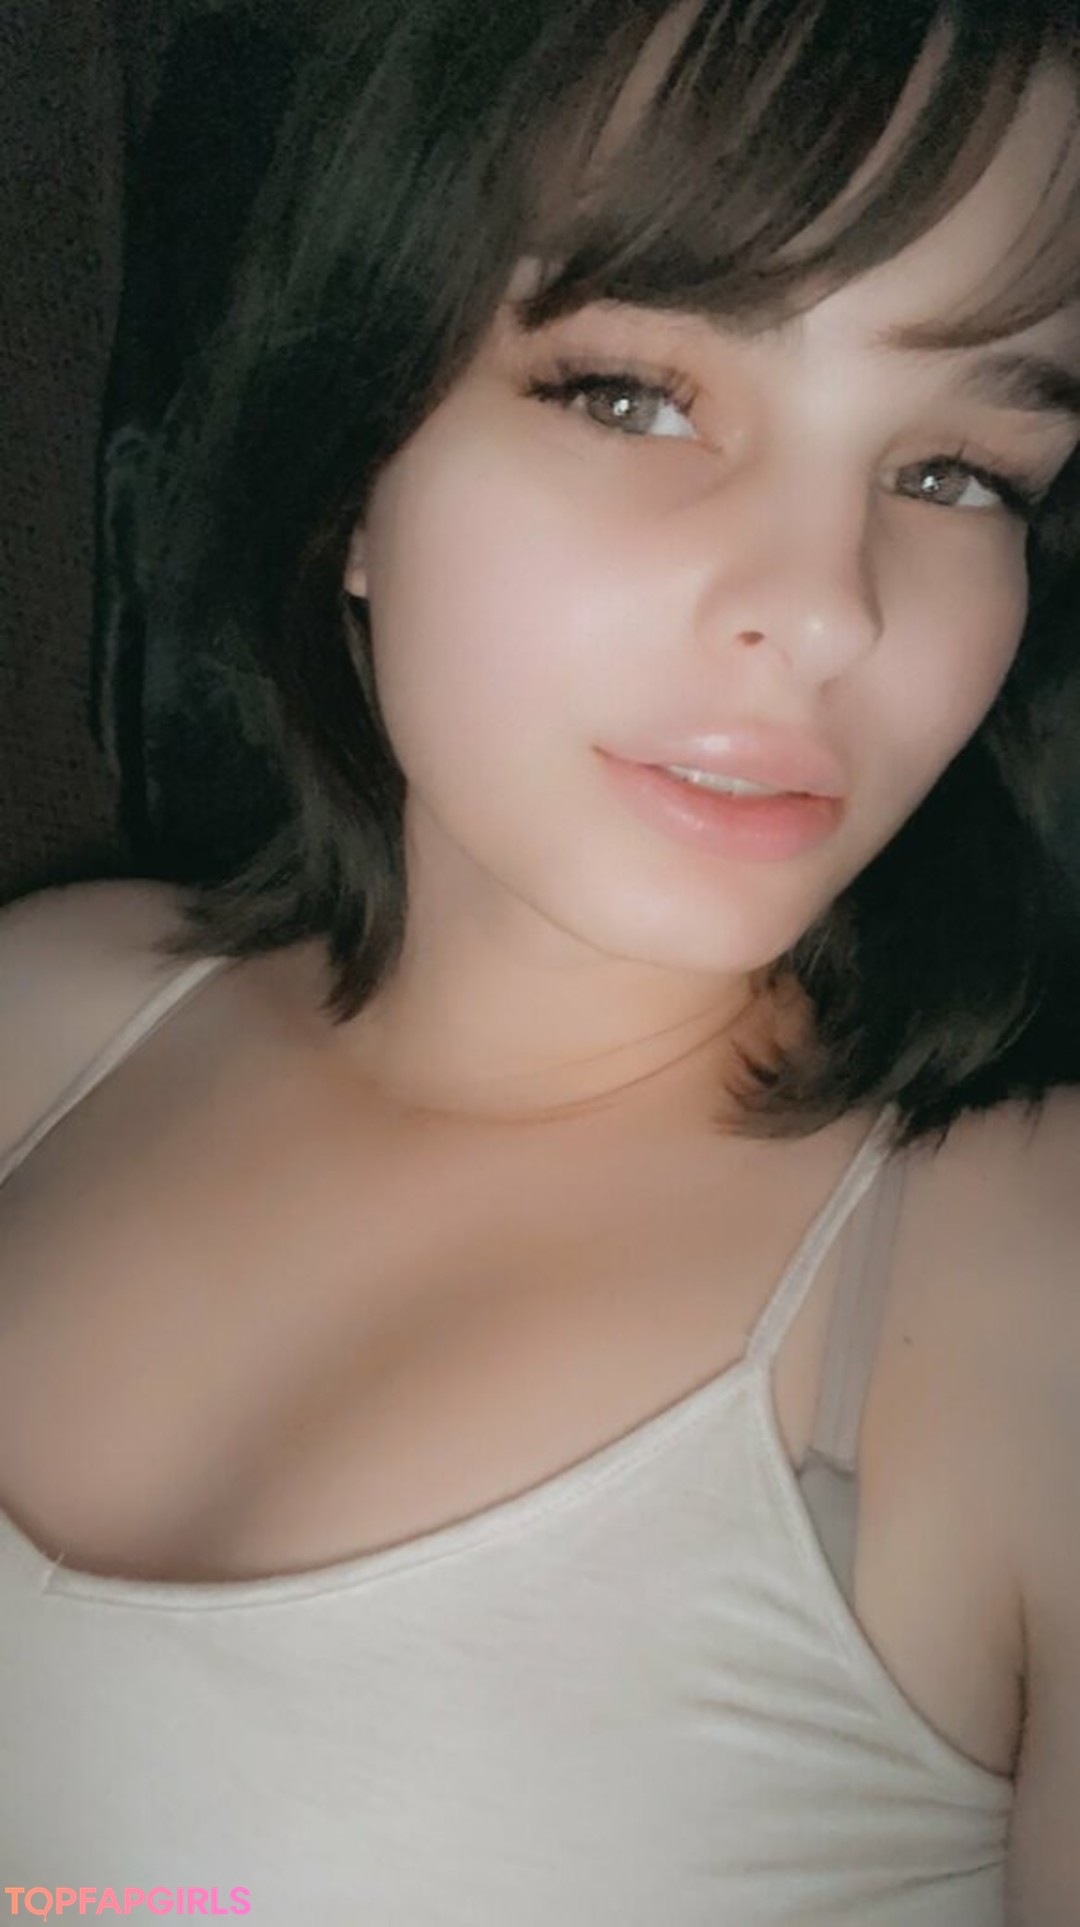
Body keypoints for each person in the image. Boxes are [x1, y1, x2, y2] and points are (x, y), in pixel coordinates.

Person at [1, 1, 1079, 1920]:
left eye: (957, 473)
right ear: (352, 463)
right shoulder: (37, 1019)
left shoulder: (1022, 1296)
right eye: (634, 396)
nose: (825, 611)